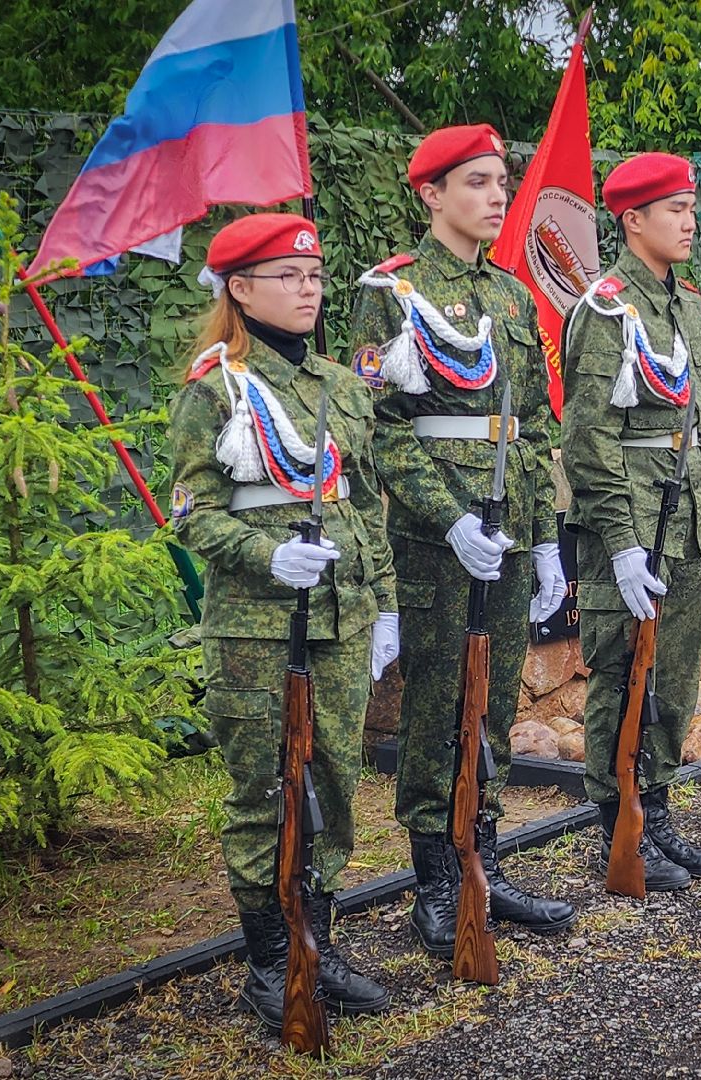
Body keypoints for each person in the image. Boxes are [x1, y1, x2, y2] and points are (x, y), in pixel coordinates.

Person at [165, 213, 396, 1029]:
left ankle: (318, 945)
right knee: (267, 789)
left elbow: (364, 500)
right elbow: (189, 512)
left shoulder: (339, 384)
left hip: (343, 617)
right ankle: (271, 963)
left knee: (333, 781)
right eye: (288, 276)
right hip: (258, 629)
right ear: (239, 288)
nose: (308, 288)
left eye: (315, 275)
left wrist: (389, 602)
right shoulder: (215, 387)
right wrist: (265, 556)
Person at [349, 124, 575, 958]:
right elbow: (380, 427)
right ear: (430, 194)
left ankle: (482, 858)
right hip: (435, 538)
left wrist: (548, 538)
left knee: (492, 703)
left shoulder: (514, 297)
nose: (495, 195)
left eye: (500, 181)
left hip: (509, 527)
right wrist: (448, 516)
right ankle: (435, 883)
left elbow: (536, 426)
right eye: (476, 181)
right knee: (439, 705)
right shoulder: (390, 292)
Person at [562, 153, 701, 891]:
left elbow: (700, 426)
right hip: (629, 519)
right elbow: (588, 438)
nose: (691, 222)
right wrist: (622, 545)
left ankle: (656, 815)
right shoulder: (604, 308)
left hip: (687, 514)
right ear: (633, 220)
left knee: (672, 674)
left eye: (692, 208)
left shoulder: (692, 308)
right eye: (674, 210)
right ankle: (616, 826)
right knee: (623, 675)